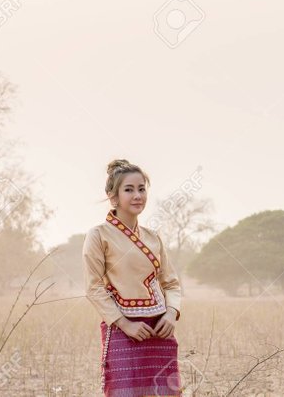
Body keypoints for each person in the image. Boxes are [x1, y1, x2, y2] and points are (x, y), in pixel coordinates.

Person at [83, 159, 182, 396]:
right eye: (129, 189)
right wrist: (125, 324)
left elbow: (171, 283)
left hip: (159, 329)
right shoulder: (98, 235)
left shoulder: (153, 237)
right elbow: (93, 287)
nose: (138, 195)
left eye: (141, 189)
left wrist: (171, 313)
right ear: (112, 197)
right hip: (122, 329)